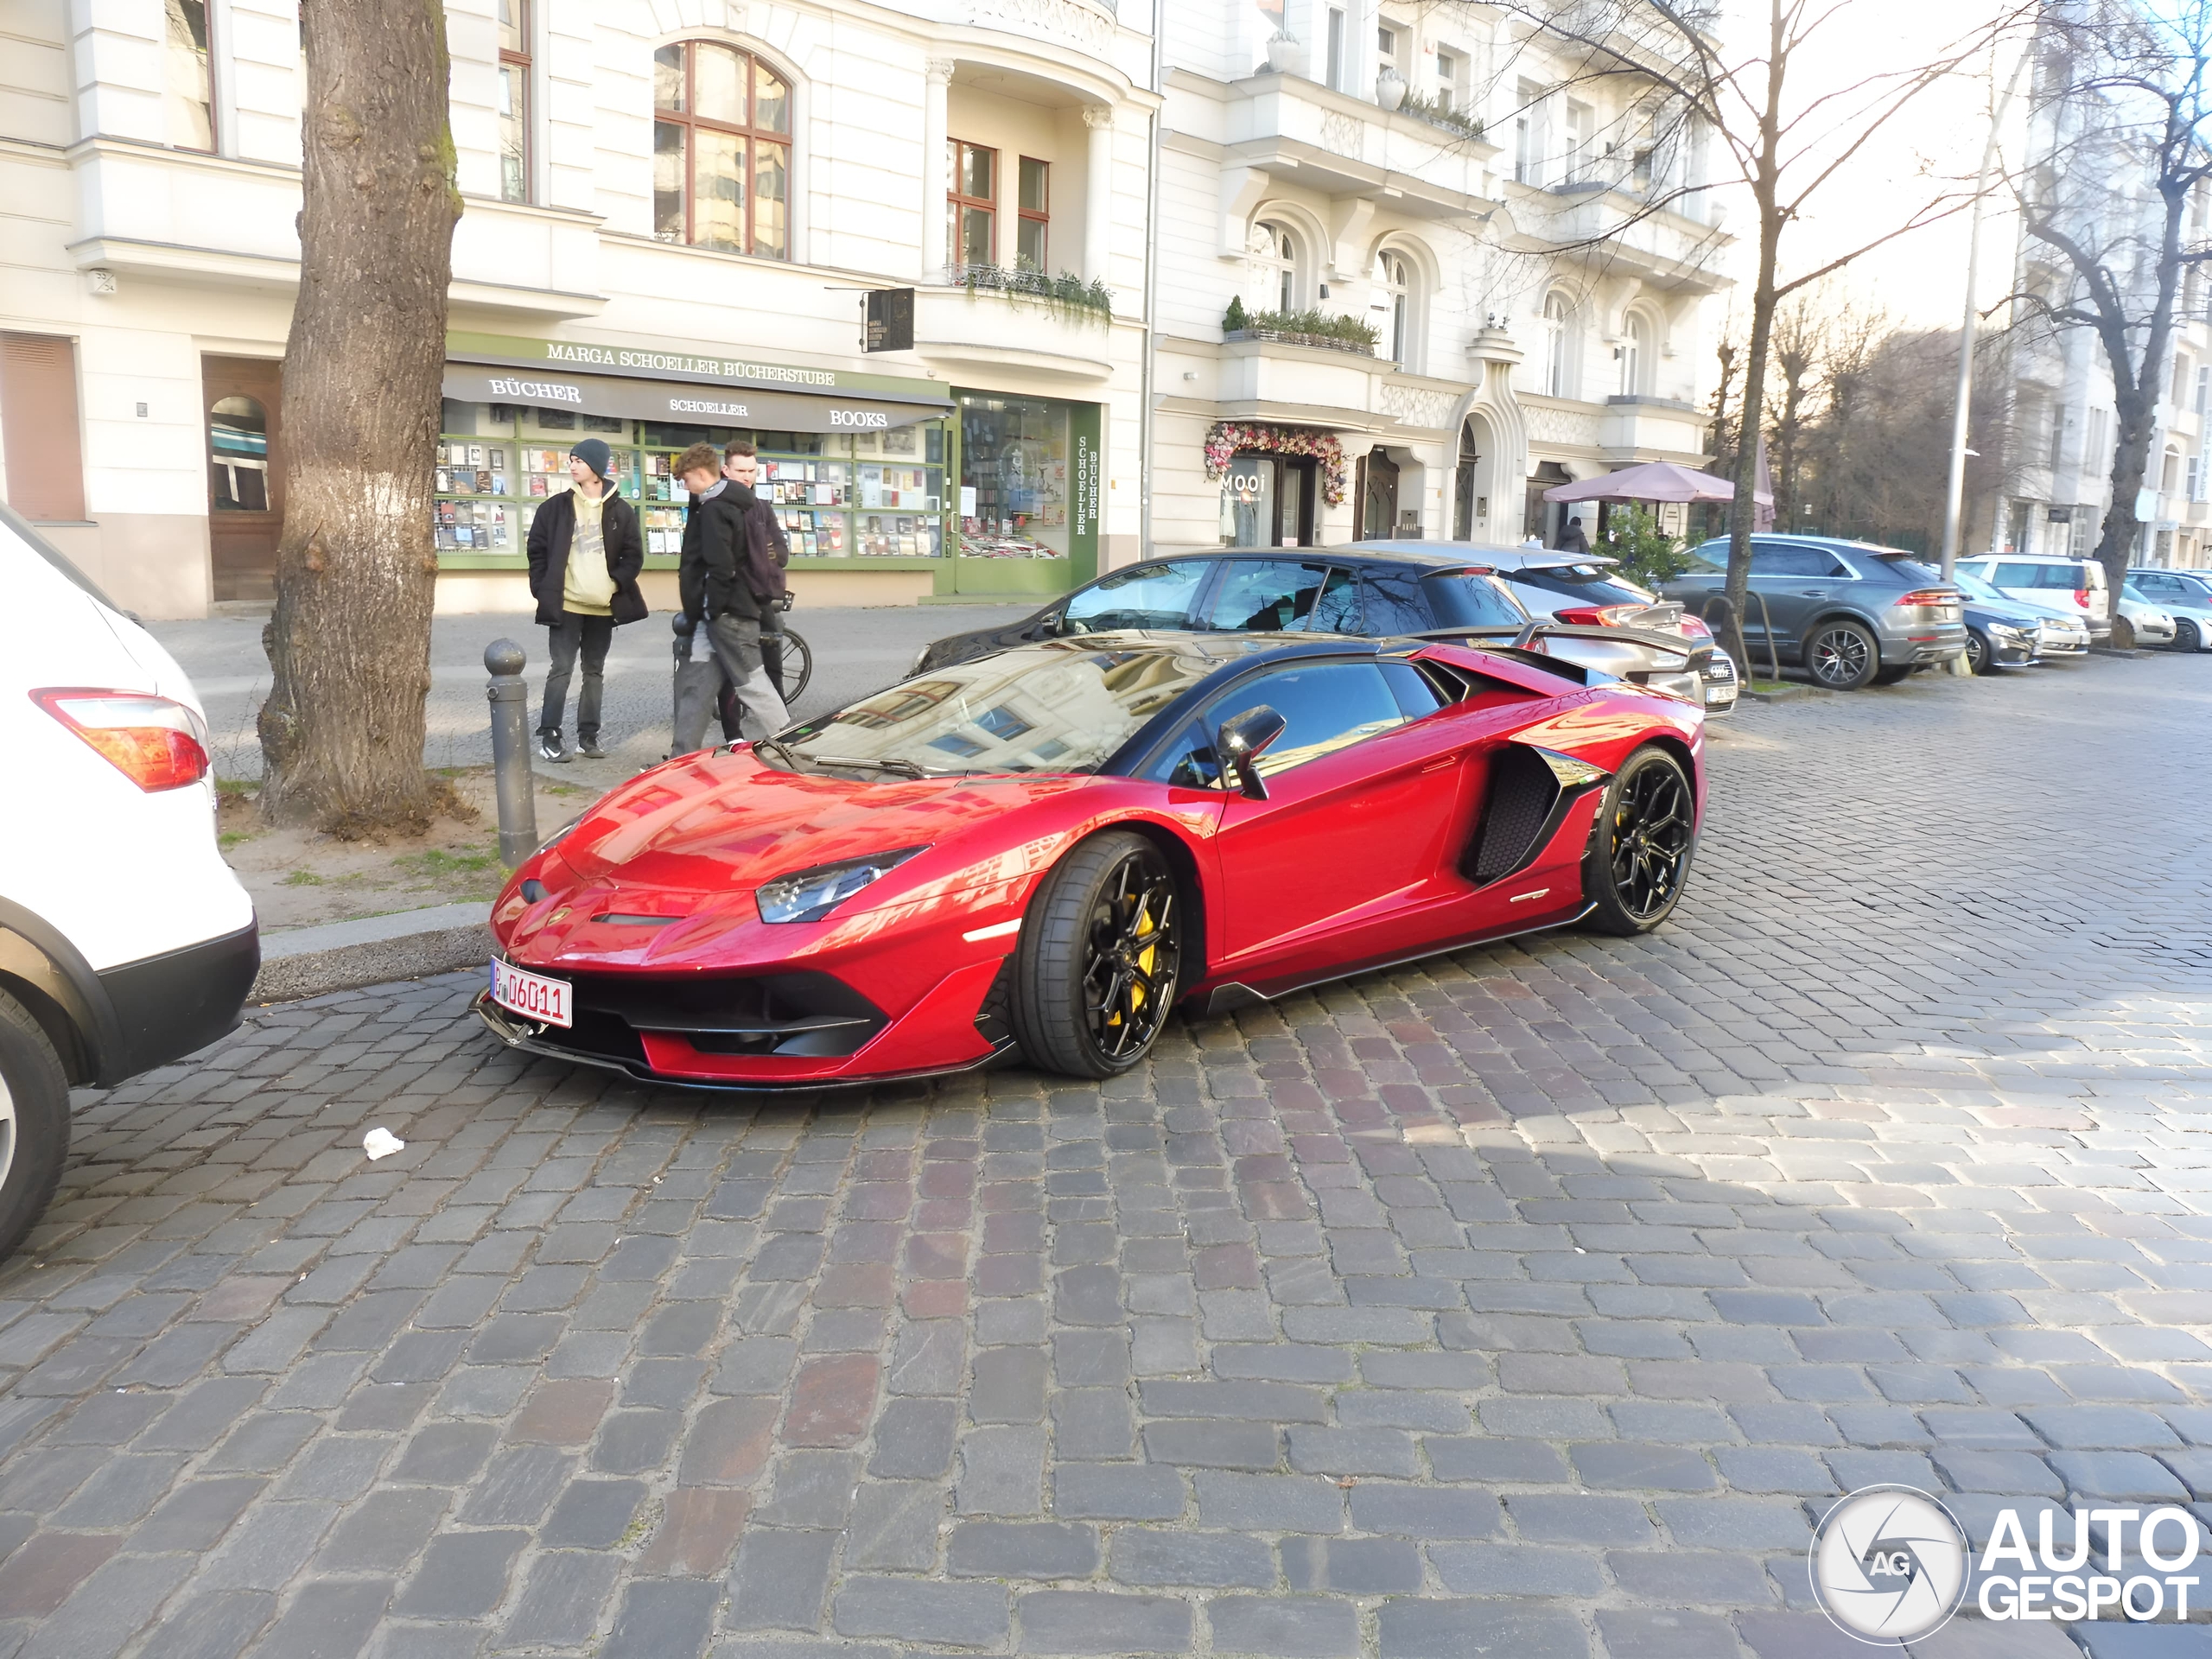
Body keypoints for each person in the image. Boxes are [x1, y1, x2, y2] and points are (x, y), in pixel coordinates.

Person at [526, 437, 645, 762]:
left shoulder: (620, 510)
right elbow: (536, 550)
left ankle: (588, 737)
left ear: (596, 467)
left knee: (594, 671)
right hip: (565, 604)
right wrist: (543, 587)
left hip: (603, 607)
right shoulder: (555, 507)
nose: (572, 465)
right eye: (571, 460)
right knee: (561, 669)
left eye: (579, 460)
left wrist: (615, 584)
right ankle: (550, 736)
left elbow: (633, 555)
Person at [671, 442, 791, 754]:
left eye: (686, 480)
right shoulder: (724, 503)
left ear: (700, 473)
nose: (685, 486)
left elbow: (720, 564)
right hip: (717, 612)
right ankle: (680, 756)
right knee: (697, 687)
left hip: (725, 613)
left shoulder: (716, 508)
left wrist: (714, 608)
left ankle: (795, 744)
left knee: (752, 684)